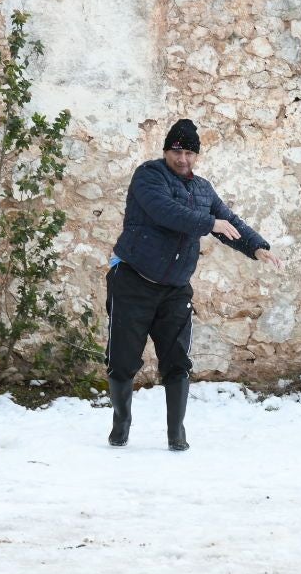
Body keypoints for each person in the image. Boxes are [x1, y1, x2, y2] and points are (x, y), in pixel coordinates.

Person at [106, 119, 280, 451]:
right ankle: (121, 421)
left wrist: (257, 247)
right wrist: (208, 222)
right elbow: (165, 212)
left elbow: (229, 221)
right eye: (176, 151)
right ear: (166, 151)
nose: (182, 159)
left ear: (196, 155)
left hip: (174, 289)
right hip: (133, 280)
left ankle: (176, 433)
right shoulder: (148, 176)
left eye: (188, 152)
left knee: (177, 362)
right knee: (122, 360)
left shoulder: (202, 189)